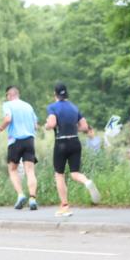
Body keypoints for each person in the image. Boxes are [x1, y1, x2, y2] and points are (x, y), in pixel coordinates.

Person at [44, 83, 101, 217]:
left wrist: (47, 126)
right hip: (75, 141)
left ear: (55, 94)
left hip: (61, 142)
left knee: (59, 175)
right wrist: (73, 128)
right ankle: (87, 181)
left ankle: (65, 206)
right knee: (75, 173)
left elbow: (51, 124)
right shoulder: (74, 107)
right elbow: (85, 127)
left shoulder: (52, 107)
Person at [0, 85, 39, 211]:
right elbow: (36, 125)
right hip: (29, 140)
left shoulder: (7, 105)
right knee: (30, 171)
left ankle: (21, 195)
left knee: (12, 169)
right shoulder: (28, 106)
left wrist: (0, 128)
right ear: (18, 94)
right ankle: (32, 198)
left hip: (15, 141)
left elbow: (8, 119)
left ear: (9, 95)